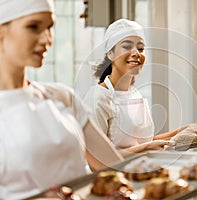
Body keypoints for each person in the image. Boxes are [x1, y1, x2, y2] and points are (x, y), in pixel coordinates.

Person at [0, 0, 124, 199]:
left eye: (50, 27)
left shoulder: (62, 97)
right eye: (33, 27)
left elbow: (115, 170)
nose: (46, 39)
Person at [83, 19, 186, 152]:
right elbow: (98, 159)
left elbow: (143, 142)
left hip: (141, 169)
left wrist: (182, 132)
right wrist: (147, 148)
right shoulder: (98, 99)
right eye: (127, 46)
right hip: (113, 173)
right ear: (110, 53)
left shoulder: (134, 94)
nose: (136, 53)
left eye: (141, 48)